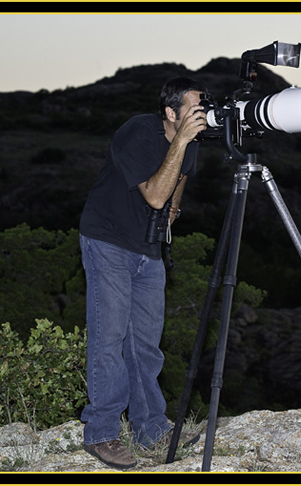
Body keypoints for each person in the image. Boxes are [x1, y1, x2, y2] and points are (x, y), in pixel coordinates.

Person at [78, 76, 208, 469]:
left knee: (146, 345)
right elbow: (153, 193)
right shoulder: (137, 131)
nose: (199, 116)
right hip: (108, 241)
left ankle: (151, 427)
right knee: (110, 339)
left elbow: (178, 180)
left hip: (148, 249)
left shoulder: (191, 145)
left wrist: (173, 213)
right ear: (171, 113)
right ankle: (100, 432)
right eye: (192, 109)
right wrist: (181, 142)